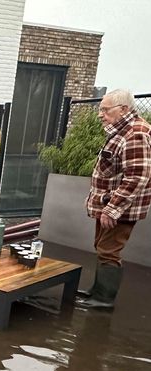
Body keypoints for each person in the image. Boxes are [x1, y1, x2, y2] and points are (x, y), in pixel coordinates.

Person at [76, 89, 151, 309]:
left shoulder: (135, 134)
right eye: (100, 109)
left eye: (105, 109)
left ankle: (104, 298)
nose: (100, 114)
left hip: (120, 209)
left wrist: (112, 209)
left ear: (123, 109)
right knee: (103, 246)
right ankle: (97, 291)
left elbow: (138, 176)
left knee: (109, 250)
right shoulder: (122, 131)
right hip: (109, 203)